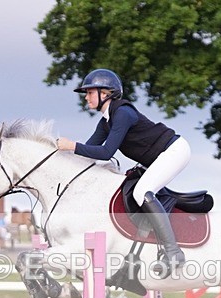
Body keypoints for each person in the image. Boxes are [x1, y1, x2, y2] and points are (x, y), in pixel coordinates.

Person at [55, 68, 189, 275]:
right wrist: (59, 158)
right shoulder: (105, 122)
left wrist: (72, 145)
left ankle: (173, 252)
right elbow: (88, 152)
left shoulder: (123, 113)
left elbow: (106, 152)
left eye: (90, 92)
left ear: (106, 93)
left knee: (141, 191)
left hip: (175, 151)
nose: (86, 97)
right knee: (136, 189)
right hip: (157, 157)